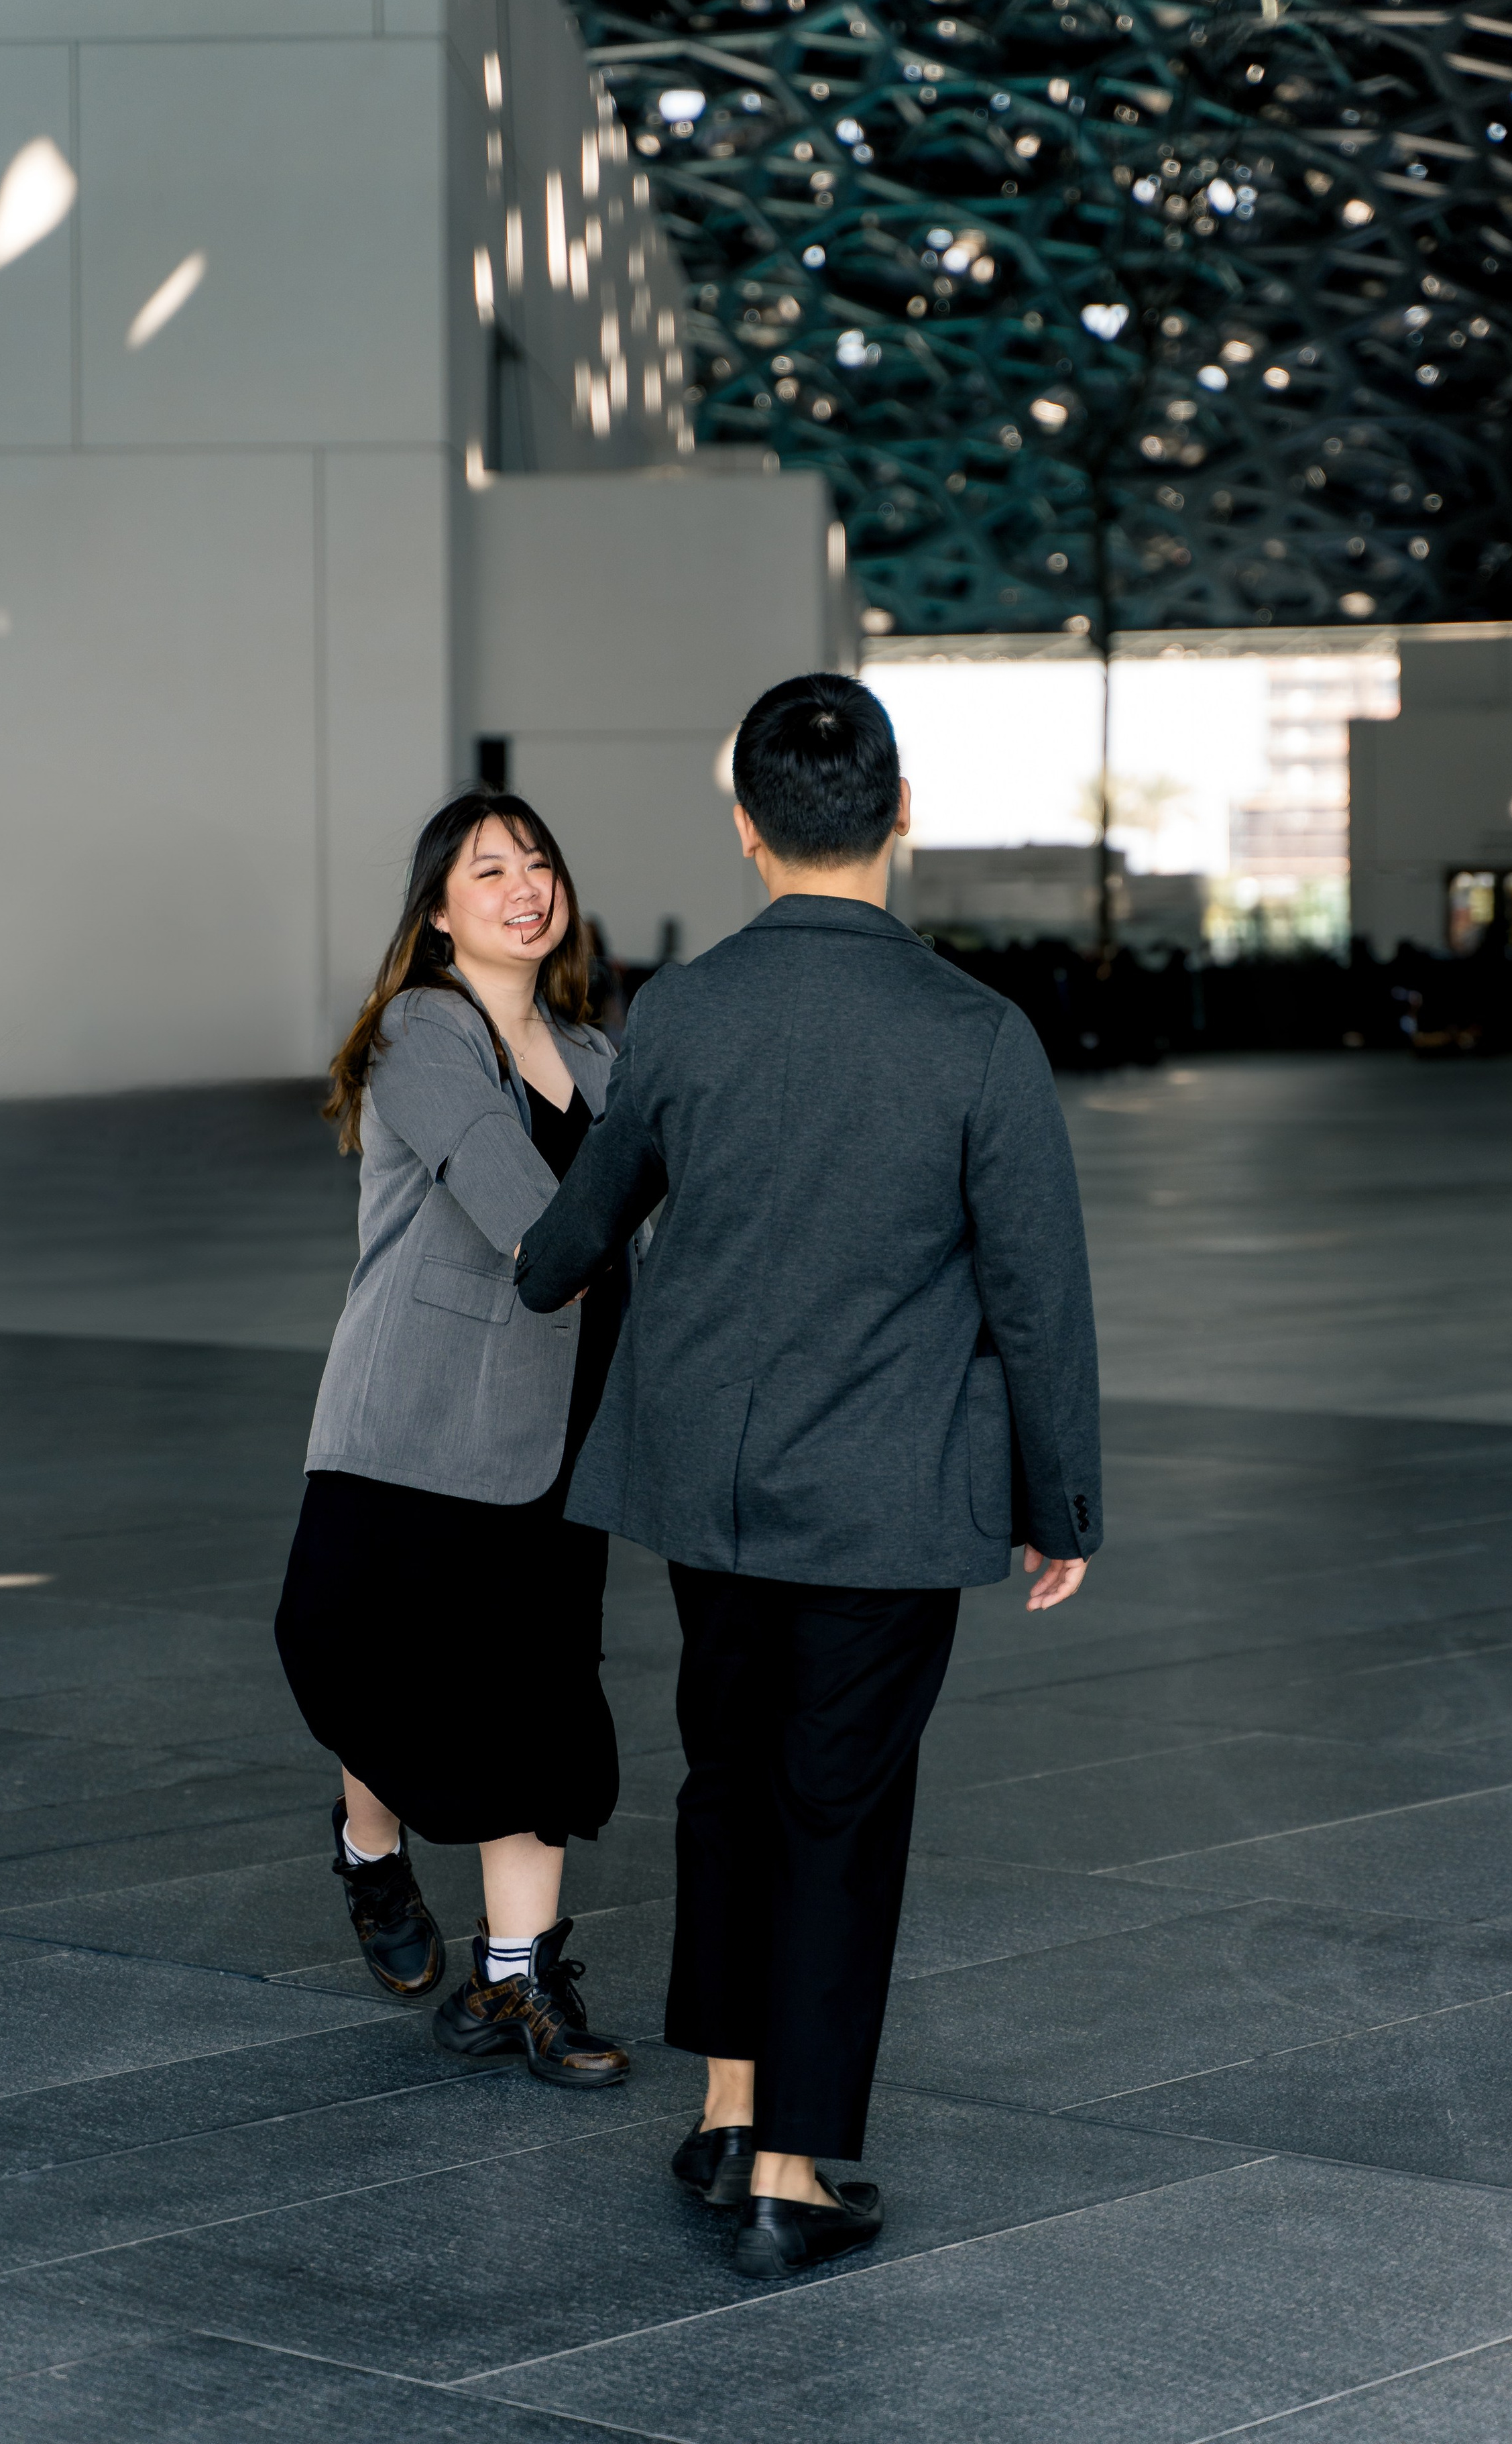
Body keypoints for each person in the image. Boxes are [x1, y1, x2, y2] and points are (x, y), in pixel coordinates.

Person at [514, 673, 1101, 2270]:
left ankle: (722, 2111)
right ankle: (789, 2173)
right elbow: (1036, 1293)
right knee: (834, 1806)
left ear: (745, 828)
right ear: (900, 817)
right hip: (888, 1495)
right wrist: (1060, 1504)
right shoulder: (975, 1036)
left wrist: (537, 1261)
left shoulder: (685, 1012)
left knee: (728, 1781)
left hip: (709, 1489)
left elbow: (579, 1231)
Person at [275, 789, 636, 2089]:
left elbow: (667, 1225)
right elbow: (529, 1215)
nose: (525, 886)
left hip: (555, 1437)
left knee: (533, 1693)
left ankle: (516, 1983)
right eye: (489, 871)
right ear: (438, 912)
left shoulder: (601, 1059)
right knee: (360, 1651)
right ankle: (370, 1846)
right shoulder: (421, 1035)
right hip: (411, 1424)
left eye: (539, 862)